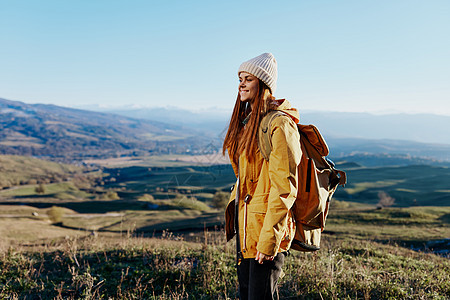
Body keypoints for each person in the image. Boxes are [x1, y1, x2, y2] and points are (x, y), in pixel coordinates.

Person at [223, 53, 302, 300]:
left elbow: (284, 188)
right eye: (240, 78)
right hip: (248, 229)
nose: (241, 84)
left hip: (267, 232)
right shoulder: (249, 124)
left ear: (263, 83)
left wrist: (269, 241)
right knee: (247, 295)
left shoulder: (280, 125)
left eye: (248, 79)